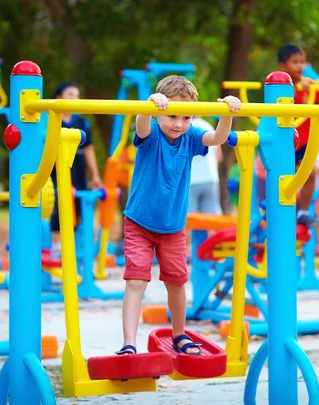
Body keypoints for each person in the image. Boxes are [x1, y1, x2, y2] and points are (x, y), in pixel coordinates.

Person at [117, 76, 240, 355]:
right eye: (171, 115)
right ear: (160, 112)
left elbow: (219, 138)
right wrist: (150, 106)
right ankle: (129, 344)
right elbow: (141, 124)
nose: (178, 123)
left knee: (177, 282)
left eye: (186, 117)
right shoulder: (151, 135)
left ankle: (179, 335)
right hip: (139, 222)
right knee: (136, 281)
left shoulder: (191, 136)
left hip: (172, 226)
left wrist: (227, 112)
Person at [277, 44, 319, 227]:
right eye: (295, 62)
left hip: (305, 140)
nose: (300, 66)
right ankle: (279, 207)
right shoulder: (282, 84)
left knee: (311, 174)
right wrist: (298, 90)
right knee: (284, 175)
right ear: (283, 65)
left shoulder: (309, 84)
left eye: (302, 62)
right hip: (288, 140)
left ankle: (302, 211)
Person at [49, 82, 103, 231]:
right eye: (70, 94)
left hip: (77, 169)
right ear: (59, 97)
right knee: (58, 204)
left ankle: (73, 246)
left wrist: (95, 175)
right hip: (56, 169)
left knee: (77, 206)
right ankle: (55, 245)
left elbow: (88, 150)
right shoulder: (52, 119)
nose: (75, 98)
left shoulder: (82, 122)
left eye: (77, 95)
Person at [188, 117, 223, 214]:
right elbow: (219, 156)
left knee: (188, 219)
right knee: (212, 220)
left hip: (191, 179)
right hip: (210, 178)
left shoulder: (185, 127)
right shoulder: (208, 126)